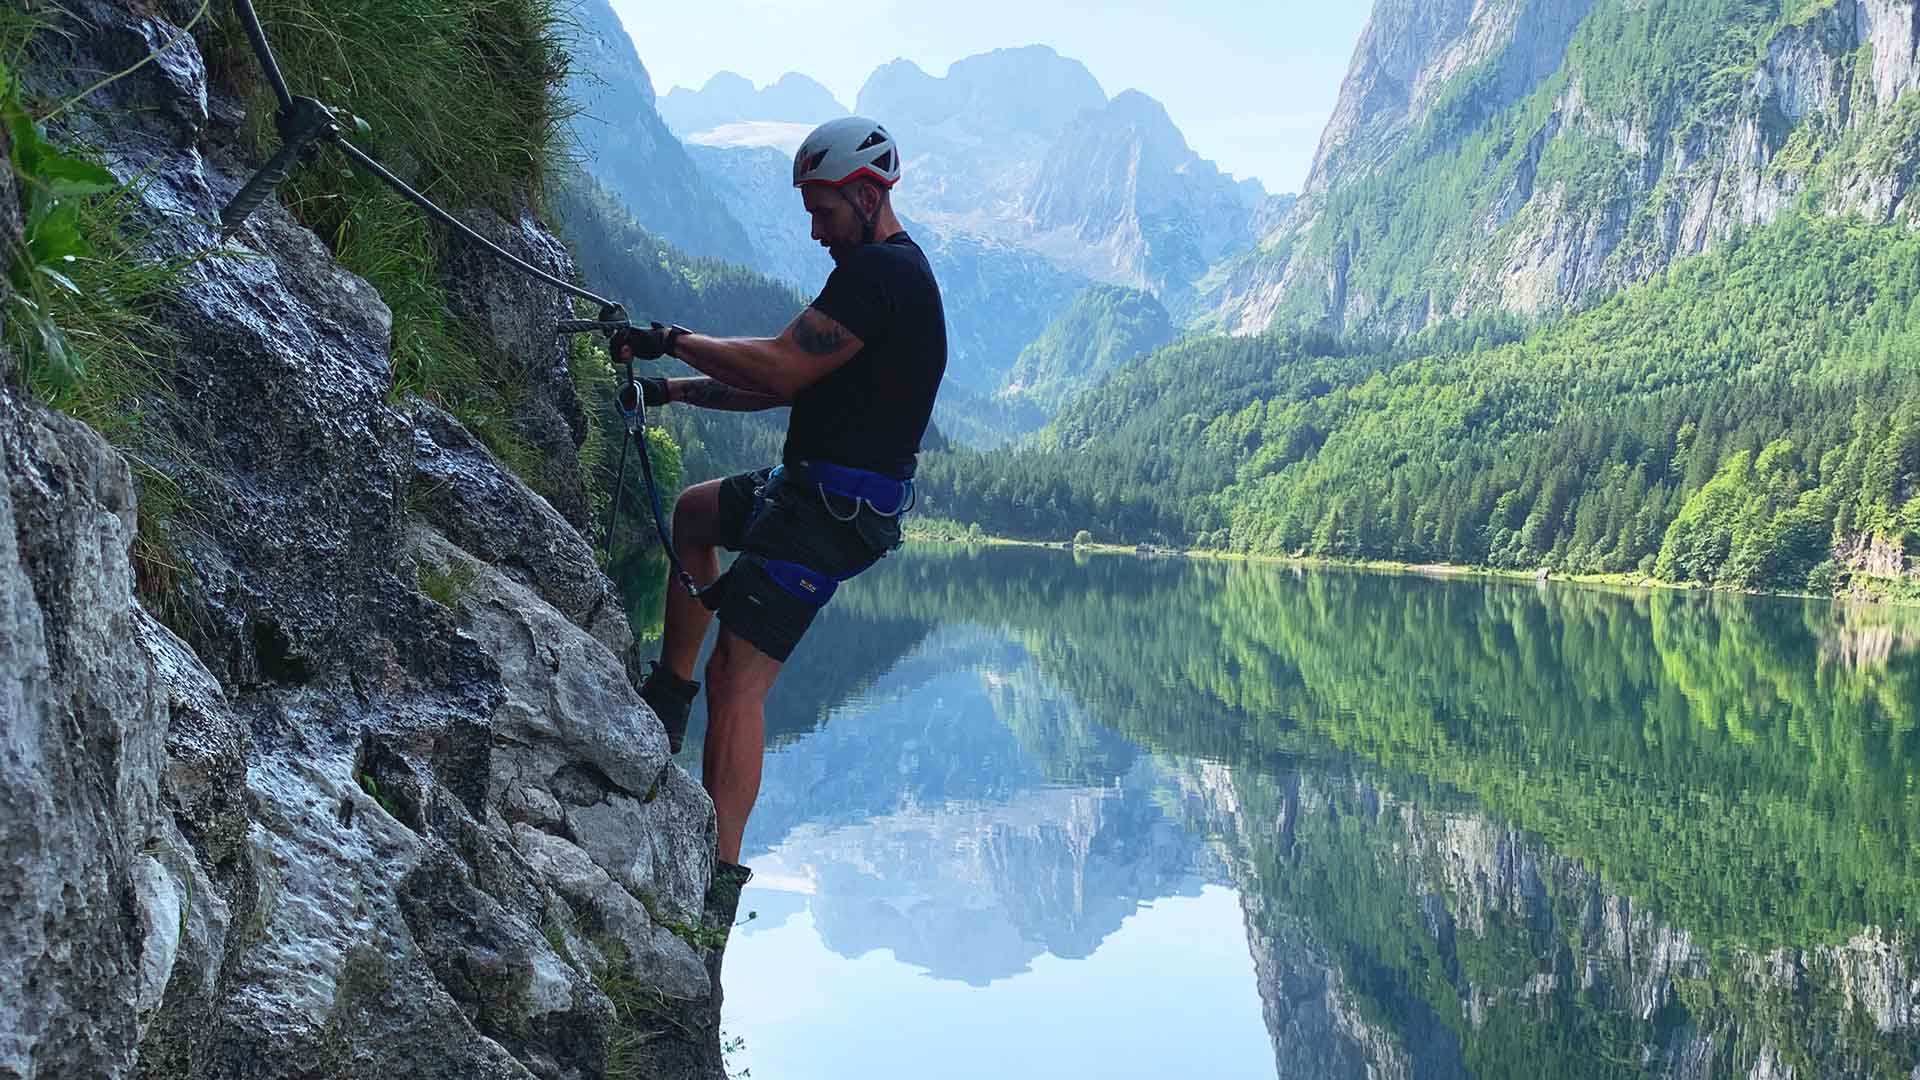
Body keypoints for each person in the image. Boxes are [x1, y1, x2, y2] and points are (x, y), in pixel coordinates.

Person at [611, 116, 947, 890]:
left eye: (822, 210)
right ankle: (667, 699)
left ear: (866, 197)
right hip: (811, 489)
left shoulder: (882, 277)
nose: (814, 228)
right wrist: (668, 389)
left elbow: (784, 370)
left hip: (831, 513)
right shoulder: (875, 275)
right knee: (696, 514)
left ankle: (717, 880)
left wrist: (672, 338)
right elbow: (774, 379)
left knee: (740, 679)